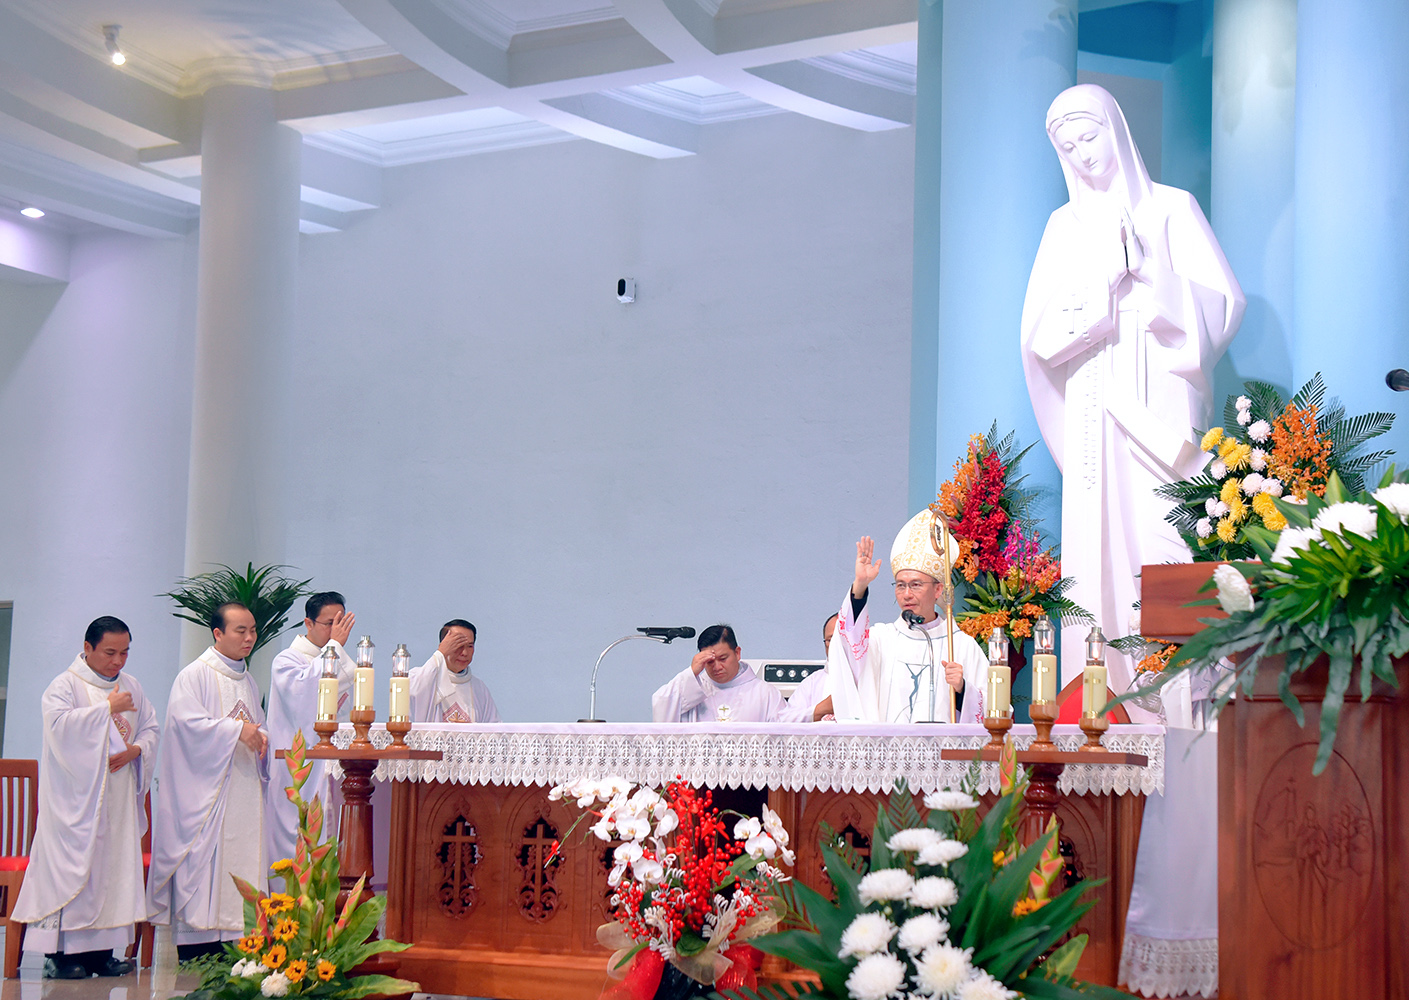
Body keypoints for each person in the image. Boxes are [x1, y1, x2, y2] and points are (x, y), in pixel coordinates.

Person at [1021, 83, 1244, 695]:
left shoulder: (1171, 209)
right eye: (1069, 147)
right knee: (1095, 555)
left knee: (1162, 536)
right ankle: (1099, 701)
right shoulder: (1063, 226)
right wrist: (1095, 308)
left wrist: (1148, 269)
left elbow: (1223, 307)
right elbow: (1037, 336)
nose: (1084, 154)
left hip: (1158, 411)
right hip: (1094, 410)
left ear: (1116, 130)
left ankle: (1171, 695)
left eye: (1090, 137)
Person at [12, 617, 159, 979]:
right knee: (74, 870)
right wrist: (105, 710)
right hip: (74, 804)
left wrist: (136, 749)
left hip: (118, 799)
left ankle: (101, 954)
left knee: (111, 871)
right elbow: (60, 730)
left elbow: (152, 727)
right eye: (110, 652)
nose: (118, 662)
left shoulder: (132, 687)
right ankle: (59, 955)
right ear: (88, 647)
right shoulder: (64, 686)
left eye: (125, 652)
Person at [147, 602, 269, 961]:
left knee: (242, 858)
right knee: (209, 861)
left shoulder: (247, 679)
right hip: (207, 795)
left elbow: (257, 724)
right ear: (218, 633)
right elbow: (186, 727)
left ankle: (240, 938)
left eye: (252, 630)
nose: (249, 638)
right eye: (240, 631)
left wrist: (263, 737)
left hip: (243, 788)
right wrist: (236, 731)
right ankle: (198, 944)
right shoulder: (195, 675)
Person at [827, 510, 987, 723]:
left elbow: (996, 711)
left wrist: (962, 689)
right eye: (900, 585)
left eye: (916, 585)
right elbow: (847, 643)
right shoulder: (881, 640)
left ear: (938, 590)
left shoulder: (962, 646)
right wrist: (860, 585)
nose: (906, 594)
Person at [263, 592, 357, 869]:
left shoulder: (341, 660)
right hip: (298, 766)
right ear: (308, 623)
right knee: (297, 836)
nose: (336, 630)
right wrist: (335, 647)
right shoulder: (287, 660)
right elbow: (304, 698)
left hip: (333, 765)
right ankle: (288, 907)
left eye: (341, 622)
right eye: (329, 623)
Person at [651, 624, 786, 723]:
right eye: (709, 661)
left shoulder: (765, 693)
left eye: (723, 659)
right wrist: (691, 672)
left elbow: (785, 739)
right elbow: (662, 704)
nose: (717, 667)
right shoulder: (693, 689)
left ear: (737, 653)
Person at [408, 620, 501, 723]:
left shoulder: (479, 688)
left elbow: (493, 729)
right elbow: (413, 697)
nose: (465, 653)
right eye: (458, 645)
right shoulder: (420, 678)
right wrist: (440, 654)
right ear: (444, 646)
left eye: (470, 646)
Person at [779, 614, 838, 723]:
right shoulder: (813, 682)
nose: (836, 645)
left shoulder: (872, 678)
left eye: (842, 639)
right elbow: (786, 721)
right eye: (830, 640)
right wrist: (819, 711)